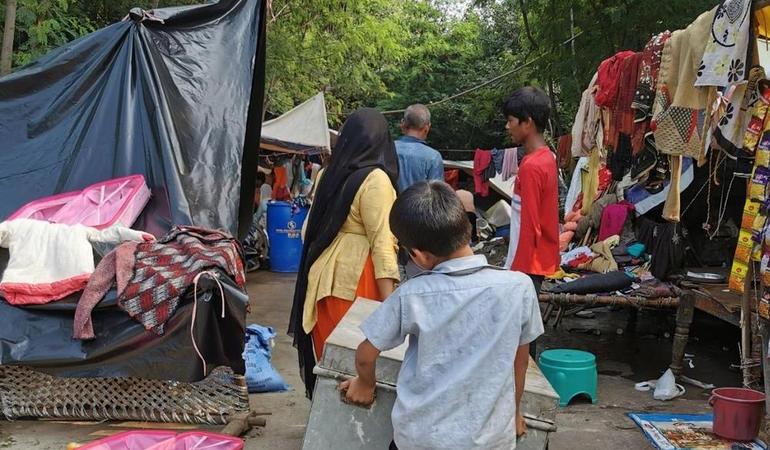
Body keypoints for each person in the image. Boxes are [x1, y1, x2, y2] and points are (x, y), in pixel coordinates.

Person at [339, 181, 544, 450]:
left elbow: (366, 355)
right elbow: (520, 361)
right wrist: (514, 414)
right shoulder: (519, 287)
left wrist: (364, 385)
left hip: (421, 440)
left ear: (419, 256)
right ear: (467, 227)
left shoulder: (412, 294)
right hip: (490, 441)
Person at [289, 108, 400, 398]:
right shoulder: (376, 180)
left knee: (331, 366)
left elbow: (306, 231)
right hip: (358, 280)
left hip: (322, 279)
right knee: (356, 369)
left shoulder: (328, 174)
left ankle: (324, 419)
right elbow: (382, 243)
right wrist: (392, 306)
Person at [502, 87, 559, 359]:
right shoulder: (547, 157)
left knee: (522, 331)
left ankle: (523, 377)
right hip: (535, 258)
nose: (508, 127)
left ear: (528, 123)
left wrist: (516, 270)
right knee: (527, 327)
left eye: (511, 121)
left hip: (527, 260)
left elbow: (531, 224)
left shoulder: (531, 166)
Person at [394, 104, 444, 193]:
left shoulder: (387, 149)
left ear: (402, 124)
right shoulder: (433, 157)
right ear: (427, 127)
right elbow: (437, 194)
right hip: (418, 202)